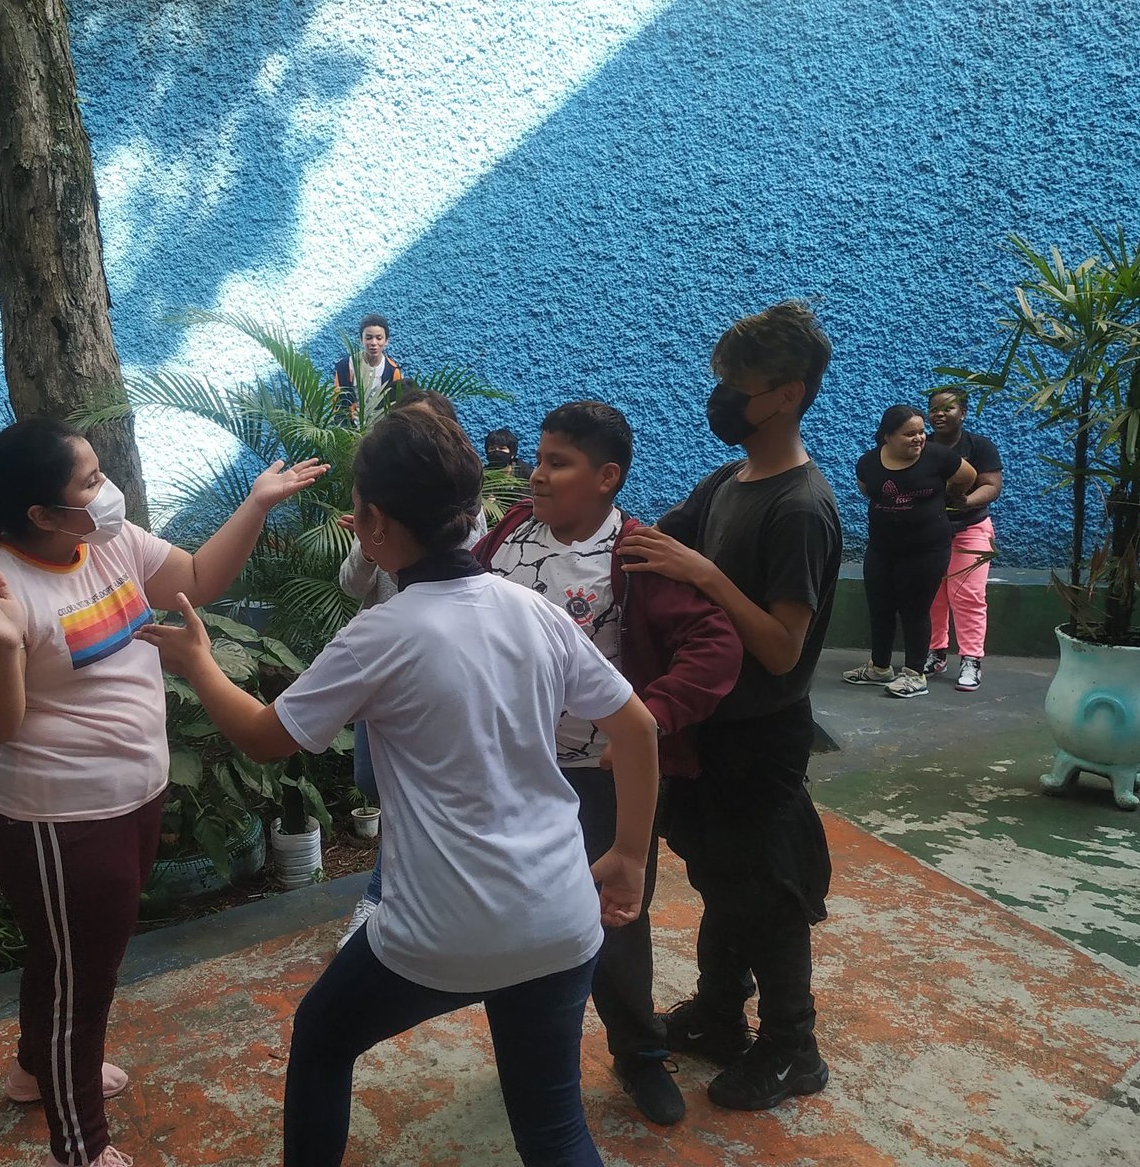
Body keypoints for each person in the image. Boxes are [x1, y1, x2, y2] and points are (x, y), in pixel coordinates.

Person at [140, 405, 662, 1167]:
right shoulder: (534, 613)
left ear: (375, 526)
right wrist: (630, 856)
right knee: (553, 1130)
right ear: (471, 508)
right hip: (560, 917)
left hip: (441, 933)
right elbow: (639, 729)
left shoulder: (379, 635)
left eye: (358, 510)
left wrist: (198, 663)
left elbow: (264, 736)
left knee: (322, 1037)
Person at [0, 417, 324, 1167]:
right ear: (43, 513)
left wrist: (256, 504)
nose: (107, 489)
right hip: (58, 819)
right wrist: (4, 646)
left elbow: (198, 580)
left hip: (134, 796)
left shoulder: (110, 543)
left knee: (66, 956)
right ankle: (80, 1145)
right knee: (83, 981)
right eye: (90, 482)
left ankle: (34, 1071)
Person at [473, 401, 743, 1128]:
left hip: (598, 778)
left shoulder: (637, 554)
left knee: (614, 916)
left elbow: (716, 647)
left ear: (606, 477)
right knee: (515, 918)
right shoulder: (509, 532)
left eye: (557, 463)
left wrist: (646, 721)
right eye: (539, 458)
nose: (537, 474)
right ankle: (534, 1054)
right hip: (511, 771)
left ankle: (640, 1054)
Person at [617, 299, 841, 1112]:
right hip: (710, 725)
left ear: (786, 394)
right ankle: (720, 1012)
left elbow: (782, 648)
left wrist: (706, 575)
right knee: (720, 876)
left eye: (737, 386)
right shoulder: (728, 481)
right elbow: (649, 541)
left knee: (767, 891)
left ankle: (793, 1046)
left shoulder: (800, 507)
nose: (722, 399)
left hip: (762, 733)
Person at [332, 388, 485, 949]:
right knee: (374, 780)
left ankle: (384, 895)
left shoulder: (464, 523)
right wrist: (369, 540)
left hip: (439, 666)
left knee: (421, 791)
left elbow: (266, 734)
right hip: (385, 666)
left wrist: (197, 662)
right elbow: (351, 584)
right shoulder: (381, 525)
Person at [842, 405, 976, 699]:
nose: (919, 438)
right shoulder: (868, 463)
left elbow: (968, 475)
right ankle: (879, 668)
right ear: (887, 436)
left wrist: (949, 495)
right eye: (909, 434)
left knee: (915, 610)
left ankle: (915, 674)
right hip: (881, 548)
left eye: (921, 432)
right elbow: (867, 490)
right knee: (880, 607)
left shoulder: (938, 457)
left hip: (926, 549)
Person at [923, 387, 1003, 691]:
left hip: (971, 529)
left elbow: (991, 486)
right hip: (929, 532)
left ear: (963, 413)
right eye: (934, 409)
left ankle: (971, 659)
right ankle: (936, 653)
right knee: (932, 595)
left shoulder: (979, 446)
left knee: (968, 596)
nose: (939, 414)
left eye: (948, 408)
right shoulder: (922, 445)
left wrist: (966, 502)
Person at [333, 313, 403, 422]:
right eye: (369, 338)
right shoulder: (346, 366)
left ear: (386, 341)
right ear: (361, 340)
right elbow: (337, 403)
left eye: (379, 338)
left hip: (379, 427)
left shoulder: (392, 371)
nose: (374, 343)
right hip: (348, 427)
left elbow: (395, 406)